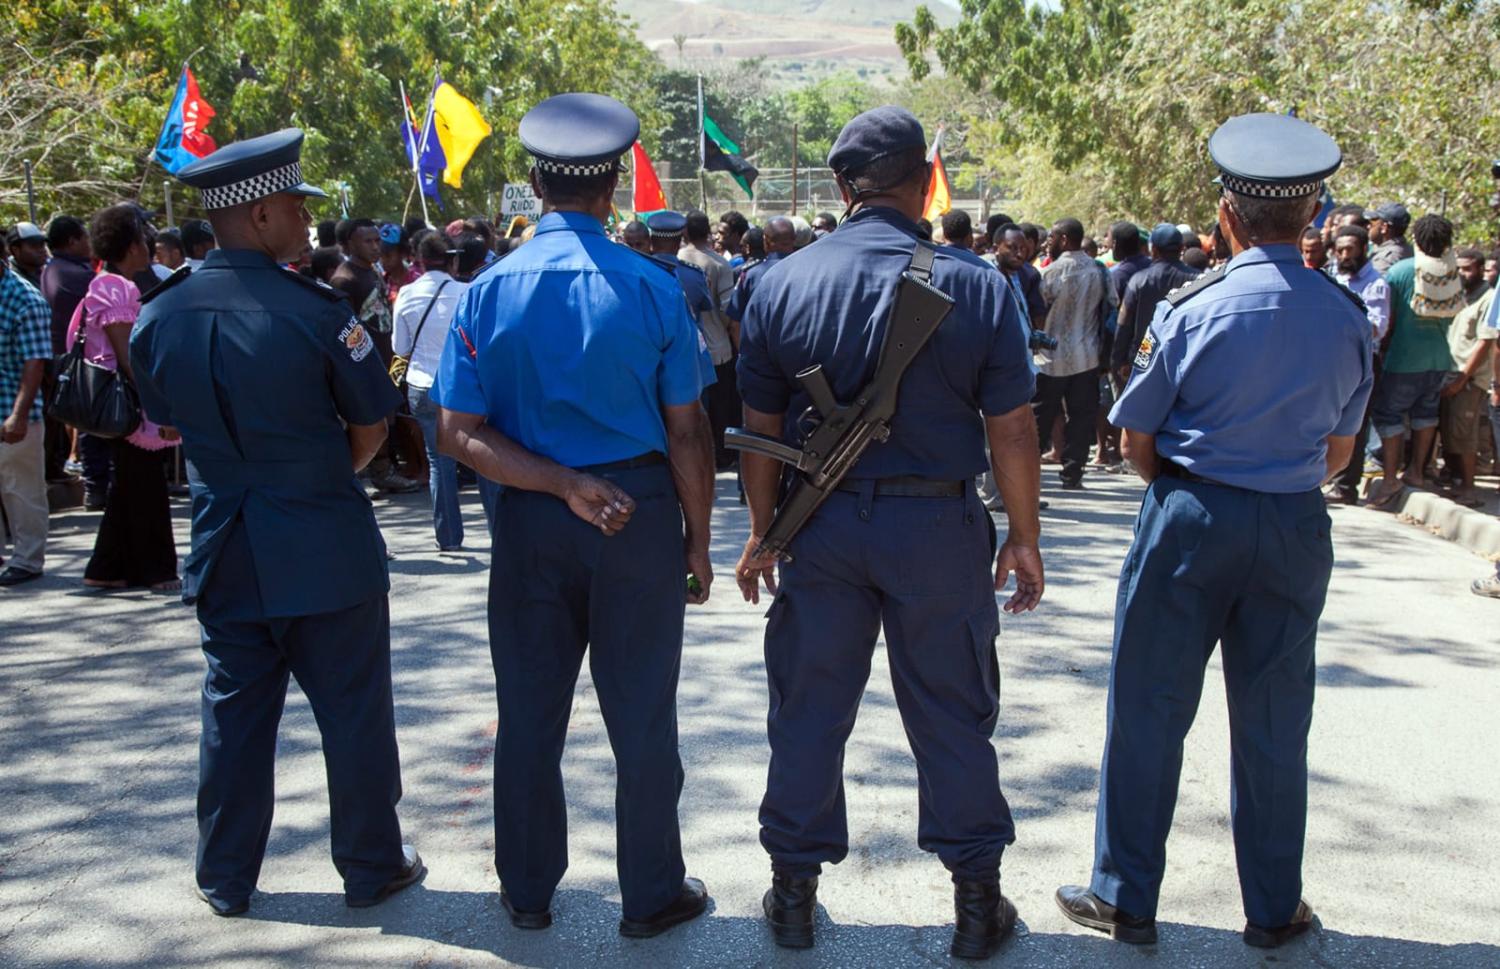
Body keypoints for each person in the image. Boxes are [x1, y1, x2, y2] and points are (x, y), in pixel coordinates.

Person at [1055, 112, 1372, 950]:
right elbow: (1340, 450)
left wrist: (1195, 497)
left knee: (1150, 708)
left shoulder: (1195, 306)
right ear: (1311, 217)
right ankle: (1273, 911)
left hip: (1192, 516)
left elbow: (1136, 443)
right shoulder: (1344, 314)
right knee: (1274, 718)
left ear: (1227, 214)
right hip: (1296, 518)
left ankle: (1125, 896)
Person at [735, 105, 1042, 961]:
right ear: (924, 183)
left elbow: (758, 430)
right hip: (938, 526)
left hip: (822, 531)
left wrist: (765, 533)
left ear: (841, 187)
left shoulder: (778, 282)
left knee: (809, 708)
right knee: (951, 712)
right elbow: (1012, 428)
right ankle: (978, 902)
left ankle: (793, 893)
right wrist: (1024, 534)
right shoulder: (977, 283)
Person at [430, 92, 715, 938]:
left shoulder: (485, 290)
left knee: (528, 711)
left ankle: (526, 891)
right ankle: (653, 892)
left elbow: (455, 435)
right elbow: (689, 430)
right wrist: (698, 543)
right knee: (642, 716)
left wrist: (555, 485)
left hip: (530, 520)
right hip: (639, 516)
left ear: (533, 182)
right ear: (617, 185)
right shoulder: (653, 287)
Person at [129, 128, 422, 917]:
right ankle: (370, 864)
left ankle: (225, 873)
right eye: (295, 203)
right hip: (323, 538)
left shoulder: (160, 315)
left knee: (232, 714)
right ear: (258, 214)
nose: (304, 216)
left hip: (226, 538)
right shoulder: (317, 311)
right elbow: (370, 424)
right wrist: (318, 476)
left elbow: (168, 419)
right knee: (354, 711)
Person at [64, 204, 181, 592]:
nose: (150, 244)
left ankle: (107, 566)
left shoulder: (108, 283)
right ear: (132, 245)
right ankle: (156, 569)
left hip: (124, 399)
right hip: (131, 402)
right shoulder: (116, 286)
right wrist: (160, 405)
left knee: (129, 484)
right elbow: (127, 354)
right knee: (145, 484)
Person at [1368, 213, 1463, 506]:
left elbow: (1389, 318)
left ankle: (1390, 479)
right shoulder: (1452, 271)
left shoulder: (1402, 271)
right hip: (1440, 358)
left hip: (1404, 358)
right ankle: (1416, 473)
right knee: (1425, 416)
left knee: (1388, 415)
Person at [392, 229, 473, 550]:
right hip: (463, 386)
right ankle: (500, 534)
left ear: (419, 262)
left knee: (439, 463)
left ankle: (449, 539)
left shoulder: (407, 295)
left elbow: (400, 345)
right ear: (451, 261)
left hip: (422, 385)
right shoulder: (467, 293)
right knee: (484, 460)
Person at [1035, 216, 1118, 488]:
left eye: (1050, 238)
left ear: (1063, 240)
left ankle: (1028, 474)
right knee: (1081, 418)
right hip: (1088, 357)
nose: (1047, 244)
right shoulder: (1100, 271)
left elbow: (1038, 311)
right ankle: (1073, 473)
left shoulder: (1049, 273)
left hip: (1050, 359)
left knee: (1041, 418)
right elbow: (1113, 305)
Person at [1326, 224, 1391, 504]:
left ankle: (1346, 486)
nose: (1343, 255)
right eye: (1340, 250)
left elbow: (1377, 327)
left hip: (1361, 359)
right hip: (1329, 357)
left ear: (1364, 249)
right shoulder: (1332, 278)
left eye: (1349, 249)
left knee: (1354, 422)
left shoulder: (1376, 284)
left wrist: (1342, 324)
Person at [0, 253, 52, 587]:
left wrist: (18, 415)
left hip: (13, 410)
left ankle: (28, 559)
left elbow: (36, 361)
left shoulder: (25, 298)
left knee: (22, 489)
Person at [678, 210, 742, 468]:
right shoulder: (719, 264)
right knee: (720, 408)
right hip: (718, 349)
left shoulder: (678, 260)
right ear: (708, 232)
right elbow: (728, 309)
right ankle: (721, 456)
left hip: (688, 348)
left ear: (684, 233)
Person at [1109, 224, 1200, 388]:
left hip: (1144, 357)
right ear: (1181, 249)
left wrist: (1118, 361)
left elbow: (1123, 324)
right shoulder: (1197, 280)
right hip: (1184, 357)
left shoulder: (1139, 280)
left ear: (1154, 250)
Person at [1437, 249, 1495, 505]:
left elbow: (1485, 342)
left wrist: (1463, 378)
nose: (1462, 273)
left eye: (1468, 268)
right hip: (1449, 372)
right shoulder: (1459, 295)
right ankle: (1457, 482)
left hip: (1469, 379)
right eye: (1458, 268)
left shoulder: (1490, 299)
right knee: (1451, 433)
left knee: (1465, 435)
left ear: (1481, 269)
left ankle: (1470, 488)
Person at [726, 216, 794, 323]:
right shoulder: (809, 271)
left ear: (765, 240)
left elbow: (735, 323)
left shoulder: (751, 275)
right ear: (794, 239)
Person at [1366, 202, 1413, 273]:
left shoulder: (1384, 260)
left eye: (1372, 223)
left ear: (1384, 228)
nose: (1368, 226)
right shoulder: (1409, 249)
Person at [7, 222, 48, 289]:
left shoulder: (48, 271)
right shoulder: (11, 281)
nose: (42, 250)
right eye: (34, 246)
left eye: (42, 244)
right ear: (16, 250)